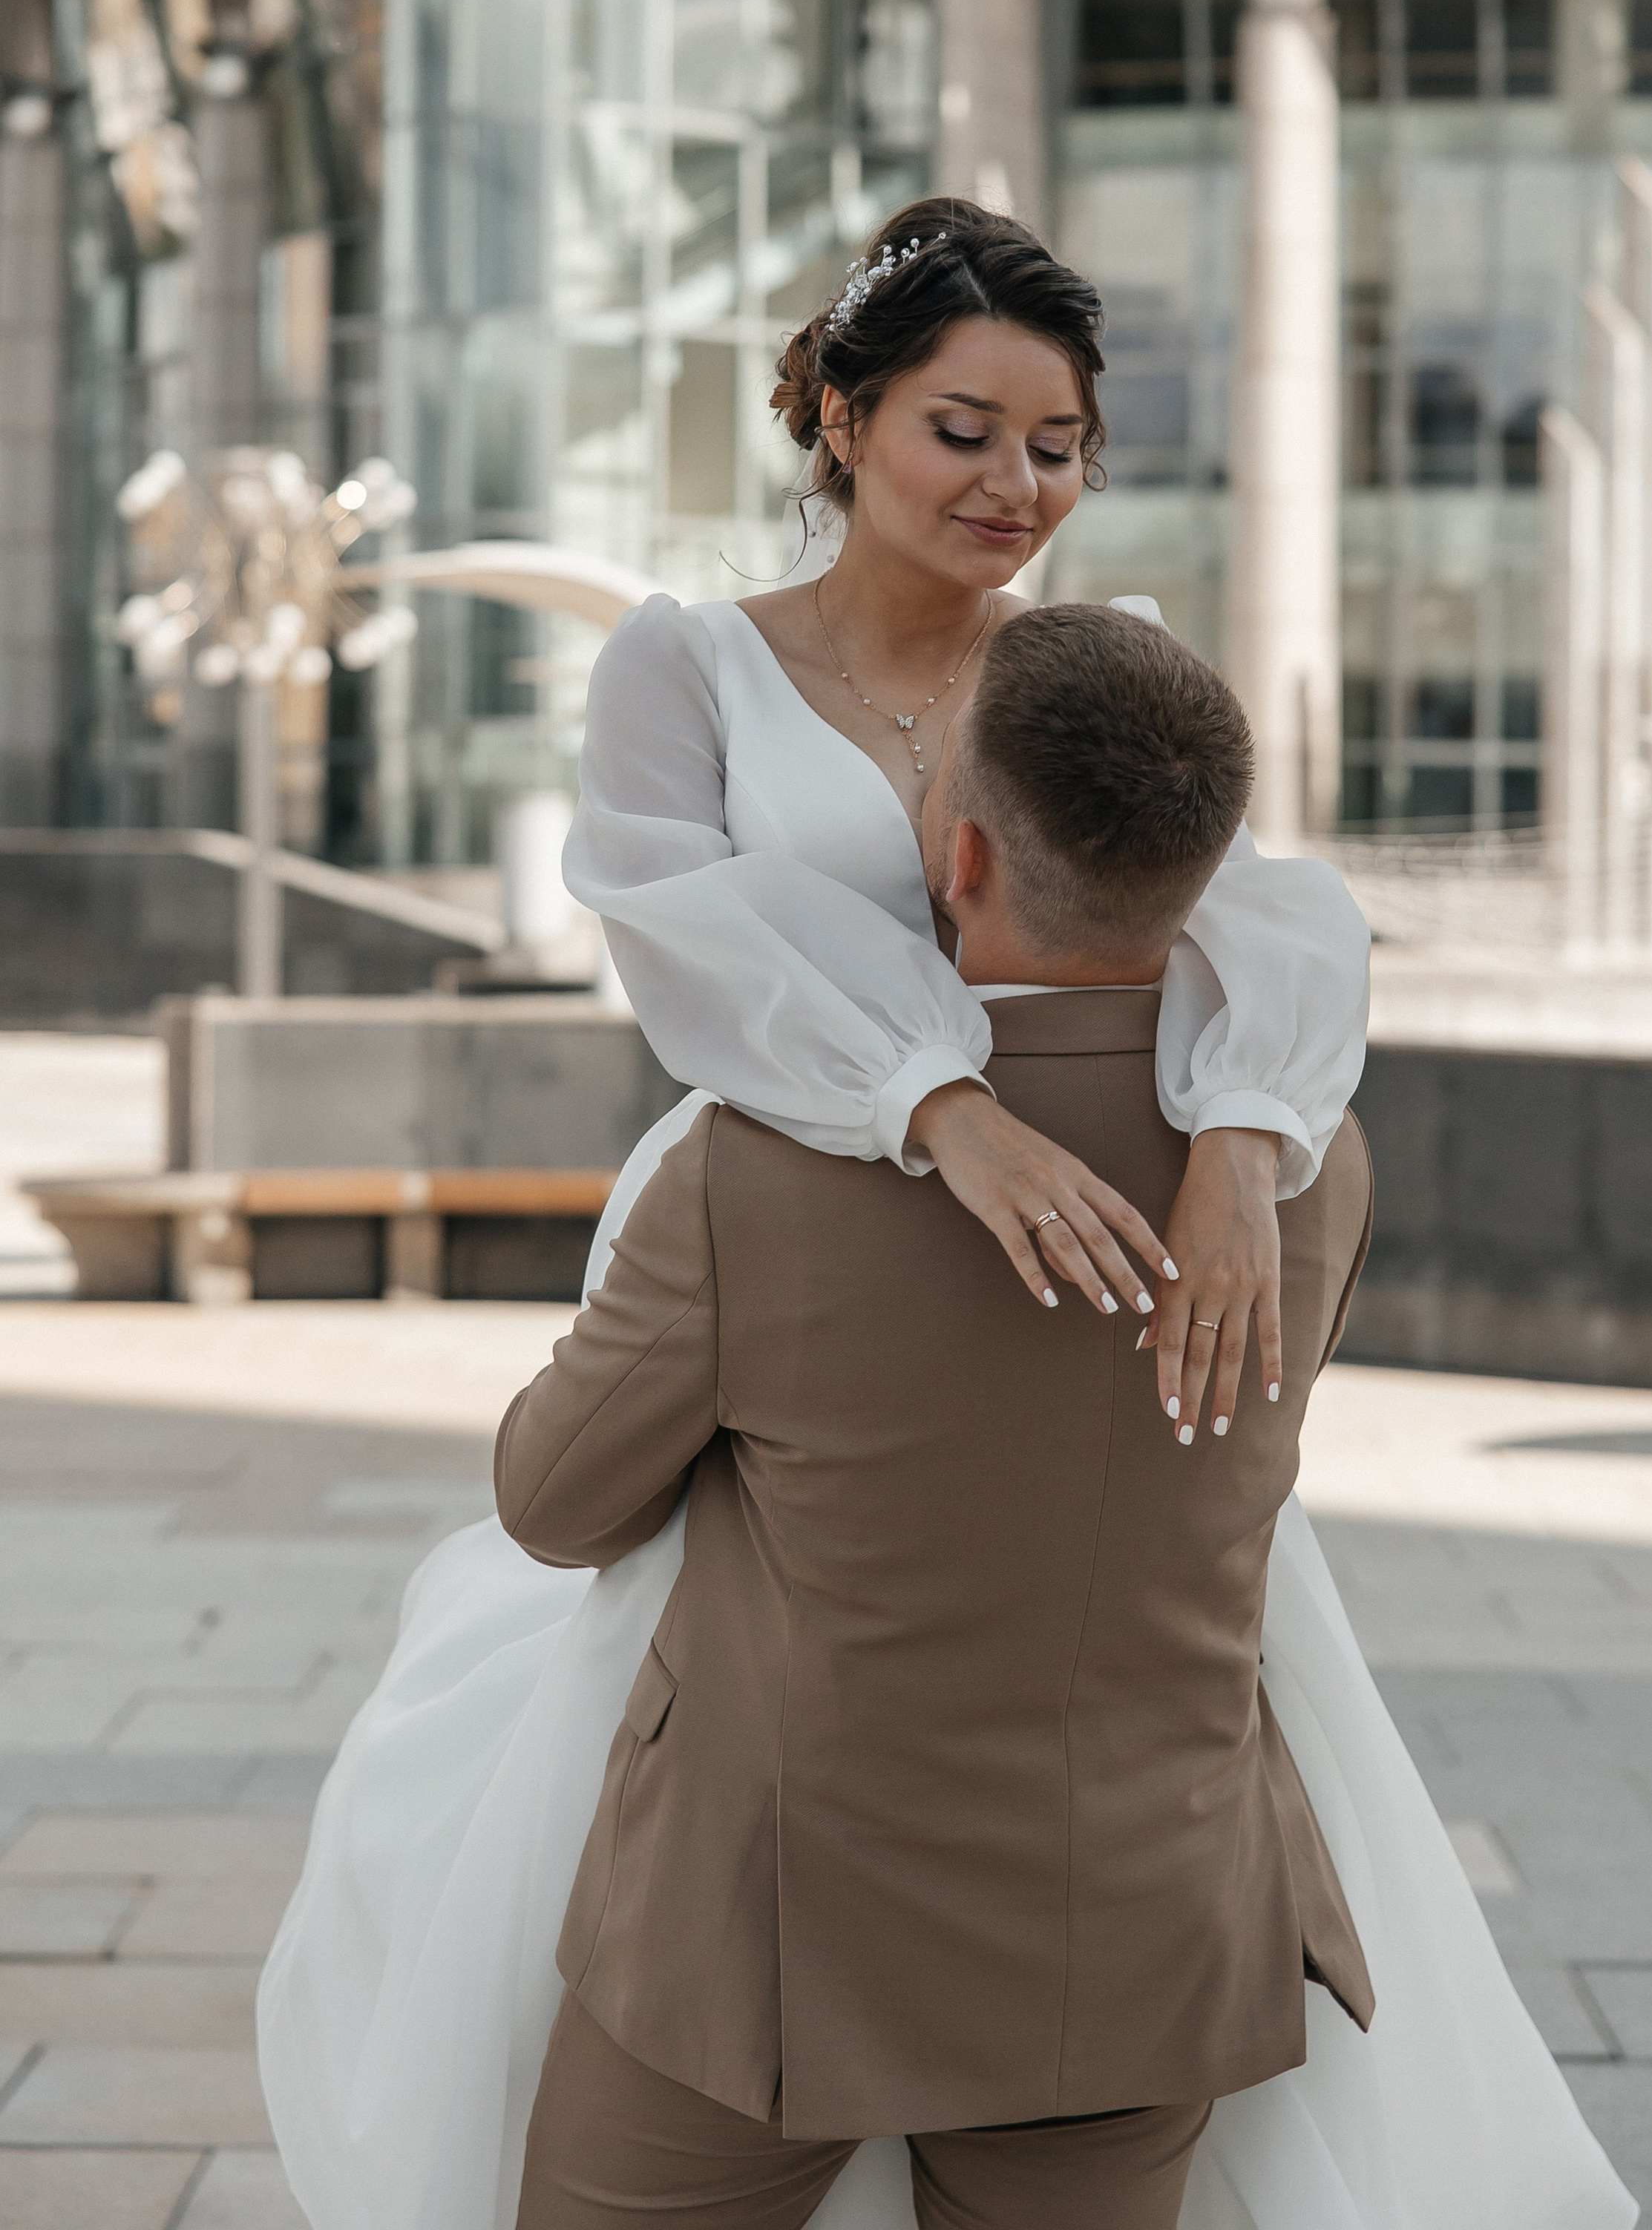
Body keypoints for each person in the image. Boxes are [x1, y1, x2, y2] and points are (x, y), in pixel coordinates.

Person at [258, 200, 1634, 2230]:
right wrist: (936, 1113)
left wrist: (1249, 1137)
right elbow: (684, 945)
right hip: (798, 1219)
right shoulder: (691, 666)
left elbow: (1262, 920)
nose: (1017, 485)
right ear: (837, 413)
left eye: (1057, 446)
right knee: (713, 1716)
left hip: (1109, 1237)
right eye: (965, 431)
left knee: (1099, 1688)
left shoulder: (1102, 666)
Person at [496, 607, 1375, 2230]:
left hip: (771, 1938)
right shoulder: (1301, 1175)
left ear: (955, 855)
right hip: (1145, 1920)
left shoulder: (757, 1169)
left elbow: (552, 1504)